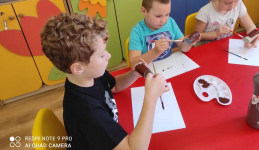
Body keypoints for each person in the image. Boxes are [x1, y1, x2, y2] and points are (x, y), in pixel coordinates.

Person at [40, 13, 169, 150]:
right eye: (102, 55)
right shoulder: (87, 112)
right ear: (78, 68)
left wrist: (133, 75)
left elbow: (114, 86)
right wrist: (151, 97)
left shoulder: (89, 76)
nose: (109, 56)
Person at [129, 0, 200, 68]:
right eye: (158, 16)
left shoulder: (170, 22)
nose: (163, 20)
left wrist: (188, 43)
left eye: (167, 14)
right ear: (144, 11)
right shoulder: (137, 32)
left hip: (169, 67)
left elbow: (182, 47)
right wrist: (155, 51)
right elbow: (133, 63)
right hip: (148, 71)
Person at [194, 0, 259, 48]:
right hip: (208, 48)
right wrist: (215, 34)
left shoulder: (239, 5)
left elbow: (251, 27)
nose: (232, 6)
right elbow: (196, 36)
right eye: (227, 3)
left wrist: (252, 37)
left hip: (226, 46)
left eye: (236, 1)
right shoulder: (205, 12)